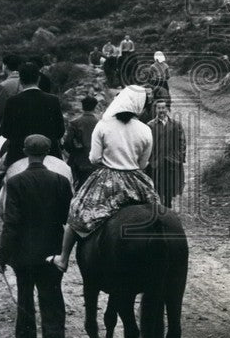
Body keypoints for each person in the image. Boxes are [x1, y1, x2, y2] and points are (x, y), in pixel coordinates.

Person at [50, 85, 158, 272]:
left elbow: (94, 158)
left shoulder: (103, 125)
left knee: (77, 211)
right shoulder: (145, 129)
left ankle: (63, 258)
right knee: (157, 211)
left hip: (107, 177)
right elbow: (142, 164)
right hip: (137, 180)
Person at [0, 134, 72, 338]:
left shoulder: (15, 182)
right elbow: (68, 218)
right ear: (48, 153)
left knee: (25, 295)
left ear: (26, 153)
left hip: (23, 252)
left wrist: (2, 254)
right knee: (52, 296)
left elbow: (11, 223)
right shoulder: (61, 181)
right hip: (52, 250)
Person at [0, 61, 65, 166]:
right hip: (50, 153)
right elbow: (60, 132)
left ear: (20, 80)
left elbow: (5, 132)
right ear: (38, 79)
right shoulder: (53, 100)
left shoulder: (12, 101)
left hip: (18, 155)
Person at [147, 98, 186, 209]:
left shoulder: (175, 124)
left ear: (167, 109)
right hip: (156, 161)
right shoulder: (150, 125)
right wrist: (149, 159)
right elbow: (147, 143)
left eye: (163, 108)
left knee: (170, 184)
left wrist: (180, 157)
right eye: (159, 108)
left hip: (171, 160)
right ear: (156, 109)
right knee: (157, 185)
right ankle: (159, 206)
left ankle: (168, 204)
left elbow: (182, 141)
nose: (161, 110)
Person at [63, 95, 99, 189]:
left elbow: (67, 143)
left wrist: (74, 152)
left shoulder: (75, 123)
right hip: (95, 162)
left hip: (78, 160)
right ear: (95, 107)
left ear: (82, 107)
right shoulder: (99, 124)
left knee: (77, 186)